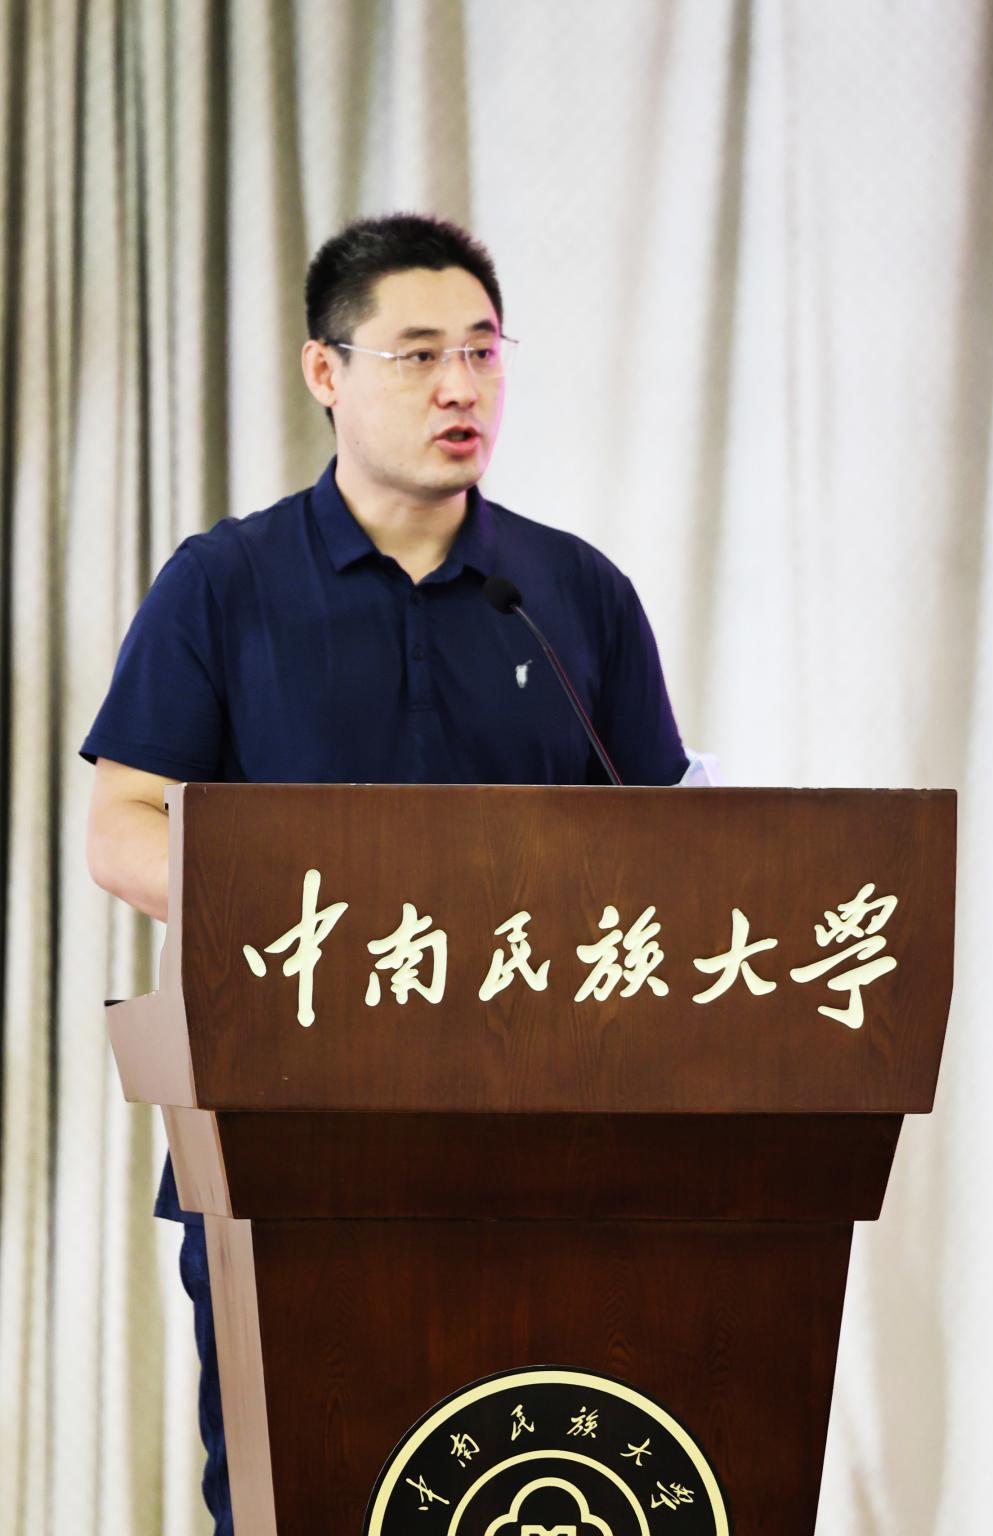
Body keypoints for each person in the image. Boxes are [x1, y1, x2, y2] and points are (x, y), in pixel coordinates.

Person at [82, 213, 690, 1533]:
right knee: (294, 1487)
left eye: (482, 351)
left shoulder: (572, 592)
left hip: (537, 1136)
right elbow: (120, 823)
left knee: (515, 1481)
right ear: (326, 371)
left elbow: (668, 846)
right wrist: (316, 916)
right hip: (279, 1128)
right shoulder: (225, 584)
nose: (461, 387)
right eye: (419, 355)